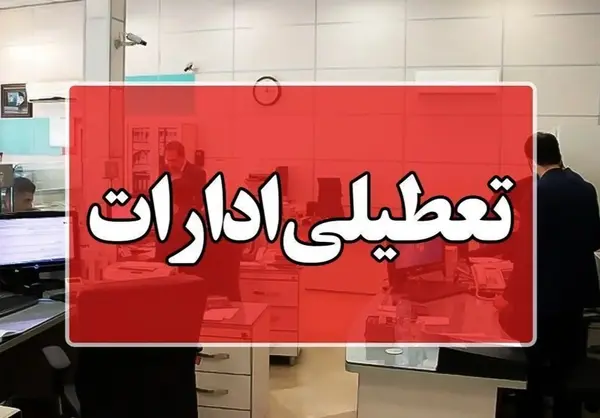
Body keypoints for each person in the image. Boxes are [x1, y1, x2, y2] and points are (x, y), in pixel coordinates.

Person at [506, 132, 600, 418]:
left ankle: (532, 408)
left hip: (544, 296)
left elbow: (526, 250)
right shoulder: (586, 188)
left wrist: (507, 292)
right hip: (575, 296)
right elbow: (595, 241)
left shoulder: (537, 193)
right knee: (566, 365)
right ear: (558, 153)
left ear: (531, 160)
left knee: (535, 363)